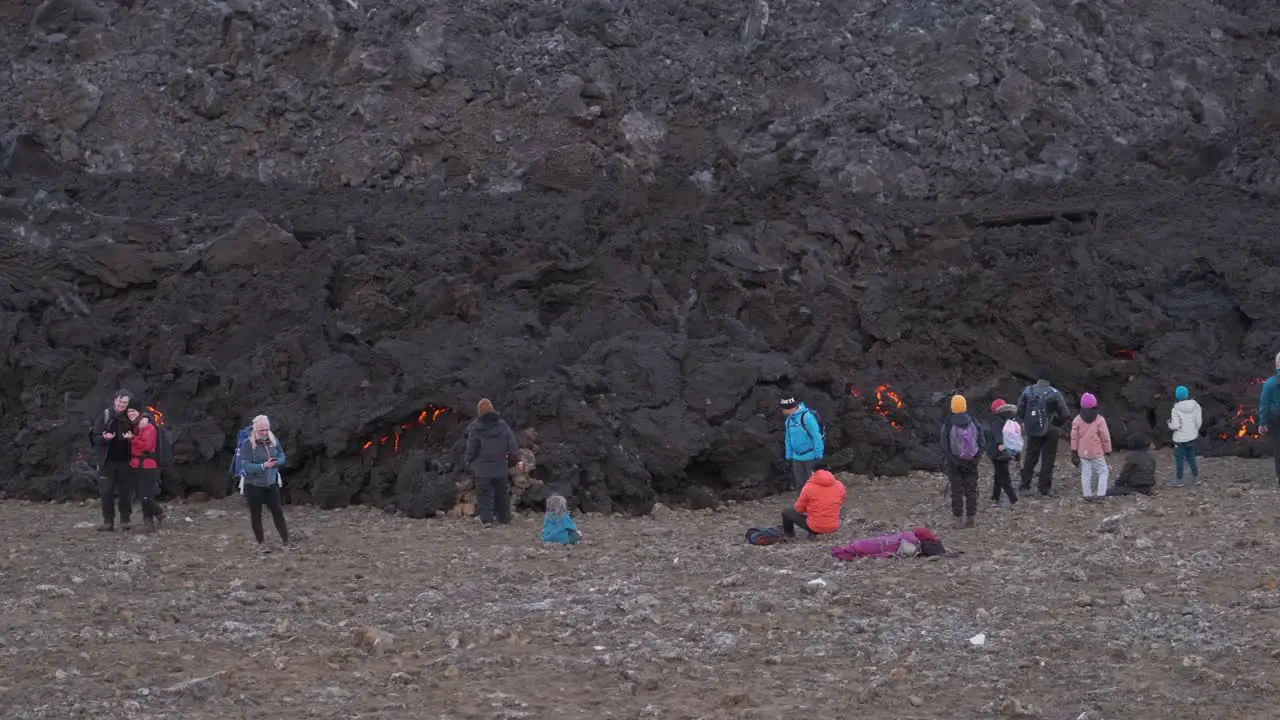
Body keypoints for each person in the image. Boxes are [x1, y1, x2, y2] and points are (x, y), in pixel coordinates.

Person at [237, 415, 291, 552]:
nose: (265, 433)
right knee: (256, 514)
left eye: (267, 429)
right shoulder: (247, 444)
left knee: (278, 512)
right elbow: (245, 466)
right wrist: (263, 466)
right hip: (253, 485)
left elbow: (282, 456)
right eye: (262, 430)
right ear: (255, 429)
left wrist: (276, 462)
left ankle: (286, 541)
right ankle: (261, 544)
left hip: (271, 483)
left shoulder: (273, 439)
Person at [464, 398, 521, 526]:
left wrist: (468, 462)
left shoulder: (476, 427)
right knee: (502, 494)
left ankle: (487, 520)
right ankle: (504, 518)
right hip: (500, 468)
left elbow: (471, 449)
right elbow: (512, 445)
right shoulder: (502, 425)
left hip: (482, 470)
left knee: (484, 495)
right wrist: (514, 461)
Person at [1015, 372, 1070, 495]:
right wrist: (1057, 424)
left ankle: (1024, 485)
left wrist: (1026, 422)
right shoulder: (1055, 394)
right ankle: (1044, 488)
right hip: (1051, 430)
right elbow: (1065, 413)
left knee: (1030, 457)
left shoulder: (1028, 391)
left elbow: (1019, 410)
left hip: (1033, 428)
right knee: (1048, 459)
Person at [89, 389, 137, 531]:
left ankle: (125, 520)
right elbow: (94, 438)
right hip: (107, 462)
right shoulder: (104, 416)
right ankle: (108, 522)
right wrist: (104, 438)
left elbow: (139, 436)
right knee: (106, 492)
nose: (122, 404)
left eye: (125, 402)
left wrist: (131, 439)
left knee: (125, 492)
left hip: (126, 461)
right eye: (120, 401)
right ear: (115, 400)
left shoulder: (131, 417)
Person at [941, 394, 984, 528]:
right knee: (971, 490)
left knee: (957, 491)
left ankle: (958, 520)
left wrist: (954, 462)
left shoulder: (948, 424)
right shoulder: (974, 422)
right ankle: (971, 518)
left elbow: (945, 446)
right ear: (965, 406)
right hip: (971, 463)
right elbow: (982, 442)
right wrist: (976, 459)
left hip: (955, 465)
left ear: (952, 407)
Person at [126, 405, 166, 533]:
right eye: (129, 411)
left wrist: (132, 439)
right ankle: (149, 522)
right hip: (135, 465)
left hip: (147, 466)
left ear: (139, 412)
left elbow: (147, 447)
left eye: (133, 410)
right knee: (141, 495)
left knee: (145, 496)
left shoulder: (148, 427)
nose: (130, 413)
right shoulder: (134, 426)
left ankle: (158, 513)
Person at [781, 467, 846, 539]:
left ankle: (789, 535)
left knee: (786, 512)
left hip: (815, 528)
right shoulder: (839, 485)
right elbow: (840, 501)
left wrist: (808, 508)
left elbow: (798, 509)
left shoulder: (808, 487)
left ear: (813, 473)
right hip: (833, 527)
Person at [1070, 392, 1113, 501]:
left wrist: (1074, 451)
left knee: (1086, 472)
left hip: (1082, 451)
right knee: (1103, 471)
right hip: (1097, 452)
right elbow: (1105, 436)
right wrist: (1108, 449)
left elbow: (1074, 437)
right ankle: (1101, 494)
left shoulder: (1077, 420)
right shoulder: (1099, 419)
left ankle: (1087, 494)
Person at [780, 397, 824, 491]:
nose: (782, 411)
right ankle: (802, 505)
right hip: (797, 458)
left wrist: (818, 454)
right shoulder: (788, 421)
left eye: (783, 408)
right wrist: (789, 454)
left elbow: (816, 436)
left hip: (810, 456)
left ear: (790, 407)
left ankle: (814, 505)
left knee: (812, 485)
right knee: (800, 485)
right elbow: (788, 439)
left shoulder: (807, 417)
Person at [1167, 385, 1203, 486]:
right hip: (1192, 437)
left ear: (1177, 396)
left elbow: (1175, 426)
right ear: (1187, 394)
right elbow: (1198, 421)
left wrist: (1169, 424)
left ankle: (1179, 480)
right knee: (1191, 457)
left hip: (1180, 439)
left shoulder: (1175, 409)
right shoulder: (1196, 406)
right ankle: (1196, 478)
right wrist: (1194, 431)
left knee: (1179, 459)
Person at [987, 399, 1019, 508]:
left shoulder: (997, 421)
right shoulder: (1011, 420)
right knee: (999, 474)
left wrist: (999, 445)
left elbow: (997, 436)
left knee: (1003, 477)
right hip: (1008, 452)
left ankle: (1013, 499)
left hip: (998, 453)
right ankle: (995, 496)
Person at [1258, 353, 1280, 485]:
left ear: (1277, 364)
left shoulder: (1270, 383)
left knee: (1278, 448)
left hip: (1275, 420)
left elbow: (1264, 404)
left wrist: (1262, 423)